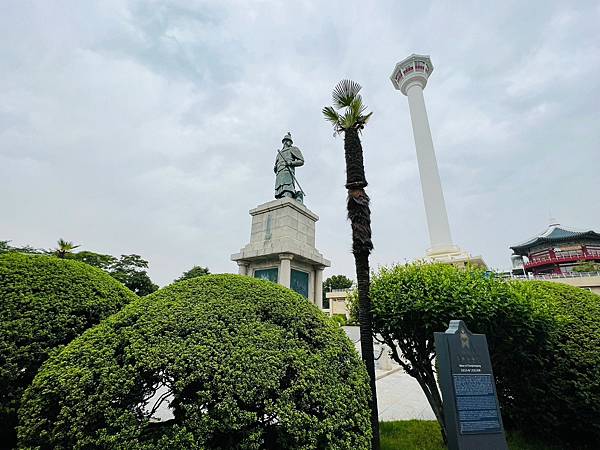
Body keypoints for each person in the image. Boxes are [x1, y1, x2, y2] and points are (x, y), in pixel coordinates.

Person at [274, 132, 304, 202]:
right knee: (279, 193)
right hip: (279, 173)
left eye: (289, 141)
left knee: (287, 189)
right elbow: (276, 165)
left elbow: (301, 161)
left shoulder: (293, 149)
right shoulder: (279, 153)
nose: (287, 142)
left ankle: (294, 195)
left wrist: (291, 162)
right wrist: (275, 168)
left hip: (287, 172)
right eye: (286, 141)